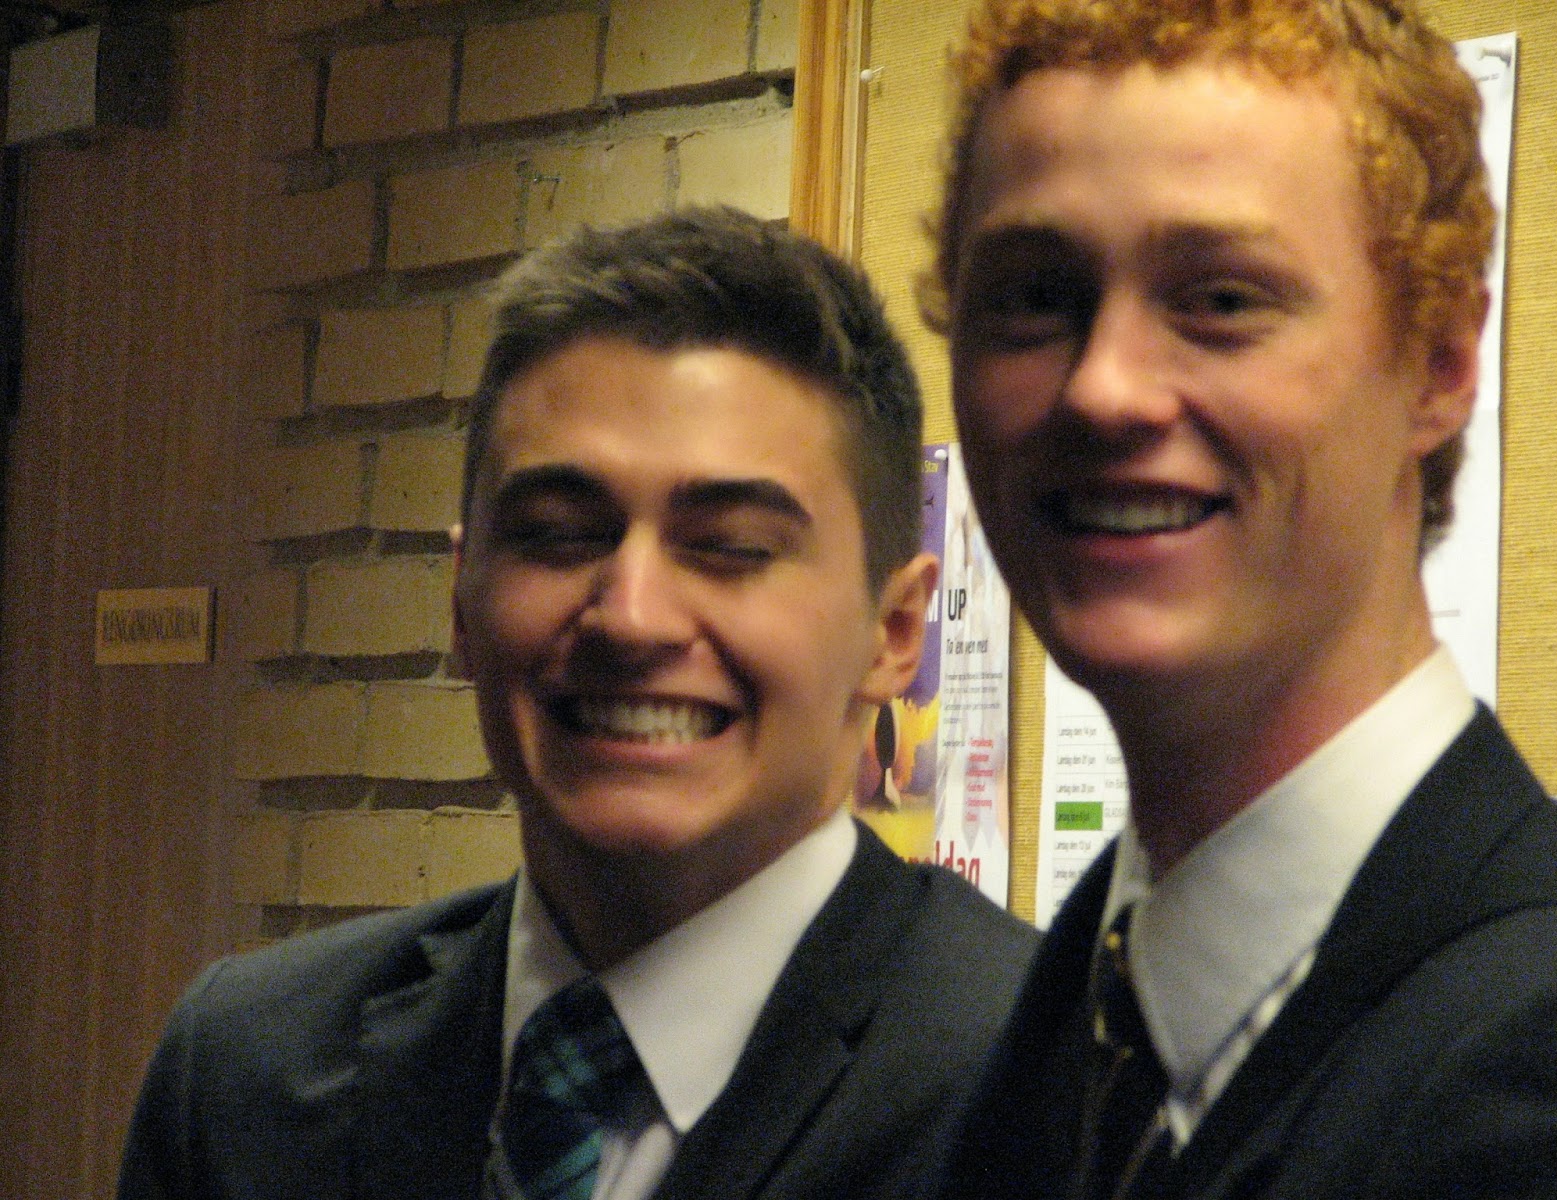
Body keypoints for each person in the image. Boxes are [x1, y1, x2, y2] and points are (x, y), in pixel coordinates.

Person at [118, 207, 1039, 1200]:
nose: (630, 617)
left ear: (893, 634)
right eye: (559, 532)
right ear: (460, 601)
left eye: (730, 546)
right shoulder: (246, 1074)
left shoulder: (1065, 1097)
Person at [926, 1, 1557, 1197]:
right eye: (1033, 297)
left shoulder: (1555, 1076)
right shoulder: (1071, 1012)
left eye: (1223, 299)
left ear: (1439, 363)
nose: (1103, 389)